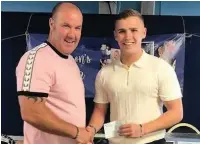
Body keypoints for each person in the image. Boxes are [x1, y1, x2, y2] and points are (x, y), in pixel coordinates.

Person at [87, 9, 183, 144]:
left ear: (143, 32)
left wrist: (143, 129)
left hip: (152, 141)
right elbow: (99, 111)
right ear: (115, 35)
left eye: (133, 30)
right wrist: (91, 130)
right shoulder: (105, 73)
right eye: (122, 31)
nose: (128, 36)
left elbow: (176, 112)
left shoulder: (161, 68)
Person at [16, 2, 92, 144]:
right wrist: (76, 132)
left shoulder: (70, 61)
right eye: (66, 26)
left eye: (77, 28)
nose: (72, 34)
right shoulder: (37, 57)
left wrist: (82, 135)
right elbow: (31, 112)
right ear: (52, 24)